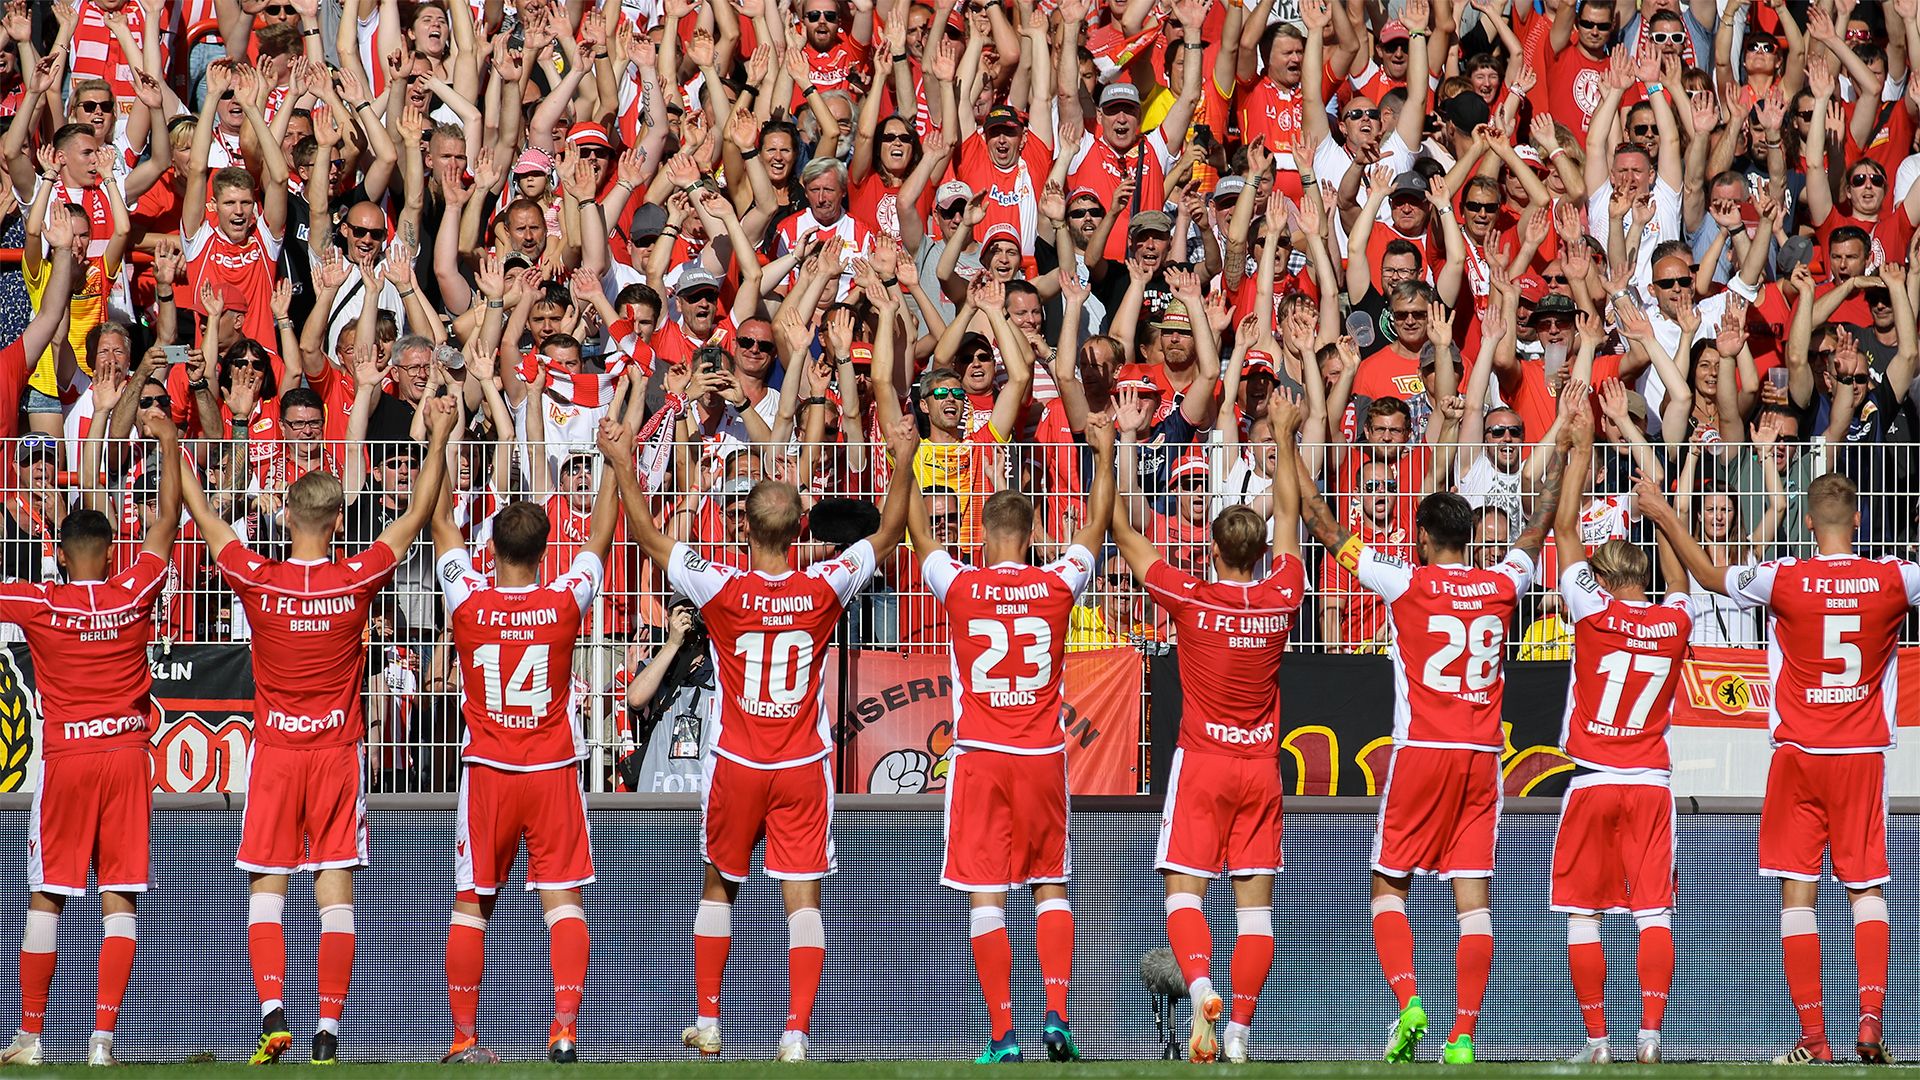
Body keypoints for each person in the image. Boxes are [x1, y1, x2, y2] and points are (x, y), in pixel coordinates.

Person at [608, 415, 921, 1063]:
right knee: (801, 899)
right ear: (802, 530)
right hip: (803, 764)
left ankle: (710, 1022)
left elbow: (649, 538)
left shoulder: (722, 585)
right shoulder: (823, 585)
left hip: (737, 763)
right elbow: (890, 533)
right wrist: (902, 457)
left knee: (718, 886)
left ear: (741, 528)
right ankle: (796, 1034)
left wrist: (618, 459)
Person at [1286, 386, 1575, 1064]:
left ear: (1421, 538)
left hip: (1421, 751)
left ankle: (1409, 1002)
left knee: (1389, 884)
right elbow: (1536, 525)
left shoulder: (1405, 581)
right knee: (1473, 902)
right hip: (1481, 758)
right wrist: (1563, 452)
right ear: (1471, 537)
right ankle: (1464, 1034)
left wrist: (1295, 448)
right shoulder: (1504, 582)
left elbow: (1327, 529)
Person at [179, 397, 455, 1065]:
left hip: (275, 756)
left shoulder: (258, 578)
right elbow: (417, 515)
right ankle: (328, 1027)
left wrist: (169, 443)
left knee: (266, 889)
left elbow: (206, 517)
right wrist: (441, 433)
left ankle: (273, 1012)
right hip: (335, 757)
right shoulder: (355, 579)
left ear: (288, 516)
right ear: (338, 521)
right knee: (335, 891)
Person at [1638, 469, 1917, 1065]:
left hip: (1797, 756)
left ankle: (1814, 1041)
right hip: (1862, 756)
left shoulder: (1785, 578)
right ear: (1860, 520)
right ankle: (1870, 1026)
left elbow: (1710, 576)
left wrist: (1663, 514)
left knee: (1799, 897)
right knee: (1866, 890)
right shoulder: (1894, 578)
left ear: (1809, 523)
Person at [907, 414, 1117, 1064]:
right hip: (1042, 758)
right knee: (1050, 885)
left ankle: (1003, 1034)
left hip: (978, 759)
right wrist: (1106, 454)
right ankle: (1056, 1013)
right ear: (1029, 536)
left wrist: (901, 462)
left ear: (981, 534)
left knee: (986, 896)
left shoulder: (960, 584)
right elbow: (1094, 527)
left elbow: (917, 532)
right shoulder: (1057, 583)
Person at [1109, 400, 1307, 1064]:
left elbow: (1124, 537)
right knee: (1257, 916)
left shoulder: (1193, 598)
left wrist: (1124, 444)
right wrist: (1282, 433)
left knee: (1183, 893)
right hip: (1260, 770)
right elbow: (1292, 518)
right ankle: (1241, 1032)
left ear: (1214, 548)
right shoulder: (1285, 595)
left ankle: (1200, 988)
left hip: (1202, 765)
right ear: (1259, 551)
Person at [430, 436, 620, 1064]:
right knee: (563, 899)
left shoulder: (468, 598)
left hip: (487, 771)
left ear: (491, 550)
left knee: (471, 901)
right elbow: (598, 543)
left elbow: (438, 524)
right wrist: (616, 469)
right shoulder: (565, 599)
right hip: (553, 770)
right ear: (544, 551)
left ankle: (464, 1038)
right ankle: (564, 1027)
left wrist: (439, 437)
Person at [0, 410, 180, 1069]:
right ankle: (103, 1040)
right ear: (108, 552)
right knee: (119, 898)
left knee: (47, 892)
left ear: (59, 552)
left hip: (69, 758)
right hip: (128, 758)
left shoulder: (41, 601)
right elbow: (164, 525)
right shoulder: (134, 590)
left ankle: (30, 1036)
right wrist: (166, 442)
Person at [1551, 406, 1691, 1066]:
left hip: (1592, 780)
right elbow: (1685, 583)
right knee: (1653, 914)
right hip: (1650, 784)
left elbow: (1564, 529)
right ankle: (1651, 1037)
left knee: (1585, 916)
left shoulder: (1589, 607)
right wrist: (1658, 510)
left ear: (1604, 581)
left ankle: (1598, 1041)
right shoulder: (1674, 620)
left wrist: (1579, 454)